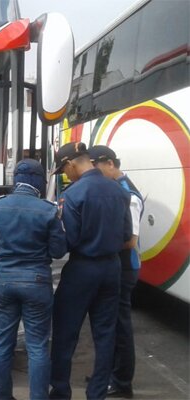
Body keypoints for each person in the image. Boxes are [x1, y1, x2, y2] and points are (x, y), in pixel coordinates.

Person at [49, 142, 133, 400]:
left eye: (64, 171)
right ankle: (97, 393)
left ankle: (61, 392)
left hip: (82, 269)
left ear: (70, 164)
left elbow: (68, 242)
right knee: (105, 334)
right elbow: (127, 235)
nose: (66, 176)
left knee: (65, 332)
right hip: (112, 268)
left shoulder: (73, 195)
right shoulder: (118, 191)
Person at [0, 159, 68, 400]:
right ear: (39, 181)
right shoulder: (49, 210)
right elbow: (59, 251)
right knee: (38, 346)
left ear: (15, 179)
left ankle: (1, 396)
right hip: (36, 281)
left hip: (4, 281)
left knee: (2, 342)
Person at [89, 145, 144, 399]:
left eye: (97, 168)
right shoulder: (116, 189)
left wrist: (99, 243)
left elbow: (131, 240)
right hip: (115, 265)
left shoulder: (128, 194)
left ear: (110, 163)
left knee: (121, 327)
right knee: (109, 322)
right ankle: (107, 373)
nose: (96, 175)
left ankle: (122, 381)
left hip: (125, 267)